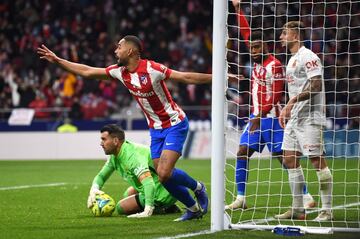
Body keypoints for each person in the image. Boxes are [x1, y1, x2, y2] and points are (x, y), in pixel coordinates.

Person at [37, 35, 209, 221]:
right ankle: (192, 209)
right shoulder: (120, 72)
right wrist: (58, 60)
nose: (115, 50)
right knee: (163, 177)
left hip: (174, 123)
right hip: (155, 129)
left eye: (119, 47)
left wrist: (219, 77)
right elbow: (87, 71)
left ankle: (198, 188)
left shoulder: (152, 69)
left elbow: (186, 77)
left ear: (131, 51)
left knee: (163, 172)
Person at [226, 0, 315, 210]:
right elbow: (247, 33)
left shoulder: (274, 65)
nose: (254, 50)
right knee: (242, 152)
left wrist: (259, 116)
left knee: (283, 158)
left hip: (273, 119)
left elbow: (276, 94)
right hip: (257, 118)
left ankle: (306, 195)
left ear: (265, 46)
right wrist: (238, 9)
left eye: (257, 47)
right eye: (252, 47)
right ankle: (241, 198)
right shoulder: (256, 60)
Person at [275, 21, 333, 221]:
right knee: (289, 159)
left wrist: (291, 101)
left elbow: (316, 85)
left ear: (296, 35)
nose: (281, 36)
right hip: (295, 118)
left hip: (310, 117)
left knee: (317, 160)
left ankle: (326, 210)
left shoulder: (309, 56)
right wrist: (289, 107)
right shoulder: (292, 59)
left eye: (284, 32)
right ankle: (298, 208)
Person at [87, 124, 180, 217]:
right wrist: (94, 190)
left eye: (104, 139)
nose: (101, 143)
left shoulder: (132, 157)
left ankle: (163, 208)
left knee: (121, 207)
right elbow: (101, 176)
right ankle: (166, 206)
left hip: (164, 192)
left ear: (115, 141)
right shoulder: (116, 155)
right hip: (166, 186)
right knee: (128, 193)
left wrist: (148, 209)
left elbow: (149, 183)